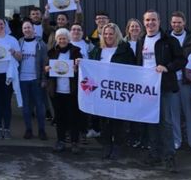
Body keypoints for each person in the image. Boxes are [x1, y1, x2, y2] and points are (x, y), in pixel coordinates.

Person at [136, 9, 185, 172]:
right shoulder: (141, 40)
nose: (150, 23)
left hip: (163, 86)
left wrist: (167, 67)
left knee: (166, 122)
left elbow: (181, 59)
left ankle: (169, 157)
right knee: (151, 121)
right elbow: (138, 63)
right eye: (147, 20)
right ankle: (154, 154)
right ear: (144, 22)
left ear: (159, 22)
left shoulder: (168, 40)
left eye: (153, 20)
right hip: (146, 88)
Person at [88, 23, 136, 159]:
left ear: (117, 35)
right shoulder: (97, 50)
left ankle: (118, 146)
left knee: (118, 120)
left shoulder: (125, 49)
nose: (108, 36)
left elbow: (132, 69)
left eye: (111, 34)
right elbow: (90, 66)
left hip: (118, 91)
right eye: (106, 34)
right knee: (104, 120)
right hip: (102, 91)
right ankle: (107, 145)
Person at [45, 28, 83, 154]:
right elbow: (46, 72)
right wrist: (47, 69)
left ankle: (74, 142)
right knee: (60, 117)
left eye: (64, 38)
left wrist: (77, 68)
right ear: (56, 40)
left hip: (72, 91)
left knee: (74, 118)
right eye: (60, 38)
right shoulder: (51, 53)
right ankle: (60, 141)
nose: (62, 40)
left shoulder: (76, 52)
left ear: (68, 39)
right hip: (57, 91)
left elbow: (83, 71)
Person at [168, 11, 191, 152]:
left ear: (184, 23)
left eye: (179, 22)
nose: (176, 25)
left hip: (187, 81)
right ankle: (176, 140)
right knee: (173, 113)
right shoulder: (166, 38)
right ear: (171, 23)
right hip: (172, 80)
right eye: (174, 22)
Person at [18, 21, 48, 140]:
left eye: (29, 27)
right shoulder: (19, 43)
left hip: (36, 79)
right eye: (25, 28)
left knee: (40, 106)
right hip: (22, 79)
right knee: (26, 107)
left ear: (33, 29)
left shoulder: (41, 44)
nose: (27, 30)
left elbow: (45, 62)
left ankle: (41, 130)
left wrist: (44, 78)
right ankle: (28, 129)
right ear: (22, 30)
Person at [123, 18, 148, 149]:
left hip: (141, 81)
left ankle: (141, 137)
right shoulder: (122, 42)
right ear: (128, 28)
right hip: (127, 81)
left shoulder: (144, 42)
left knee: (141, 110)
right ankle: (130, 137)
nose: (134, 29)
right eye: (132, 27)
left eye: (137, 26)